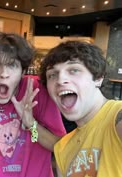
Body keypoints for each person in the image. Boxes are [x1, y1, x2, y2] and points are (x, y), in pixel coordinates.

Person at [0, 31, 66, 177]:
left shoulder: (37, 89)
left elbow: (58, 147)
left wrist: (31, 125)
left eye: (12, 65)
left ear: (23, 71)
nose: (4, 73)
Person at [40, 40, 122, 177]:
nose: (60, 80)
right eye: (52, 75)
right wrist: (29, 123)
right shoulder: (63, 147)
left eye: (74, 70)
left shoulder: (116, 117)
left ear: (98, 78)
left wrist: (31, 125)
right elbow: (36, 136)